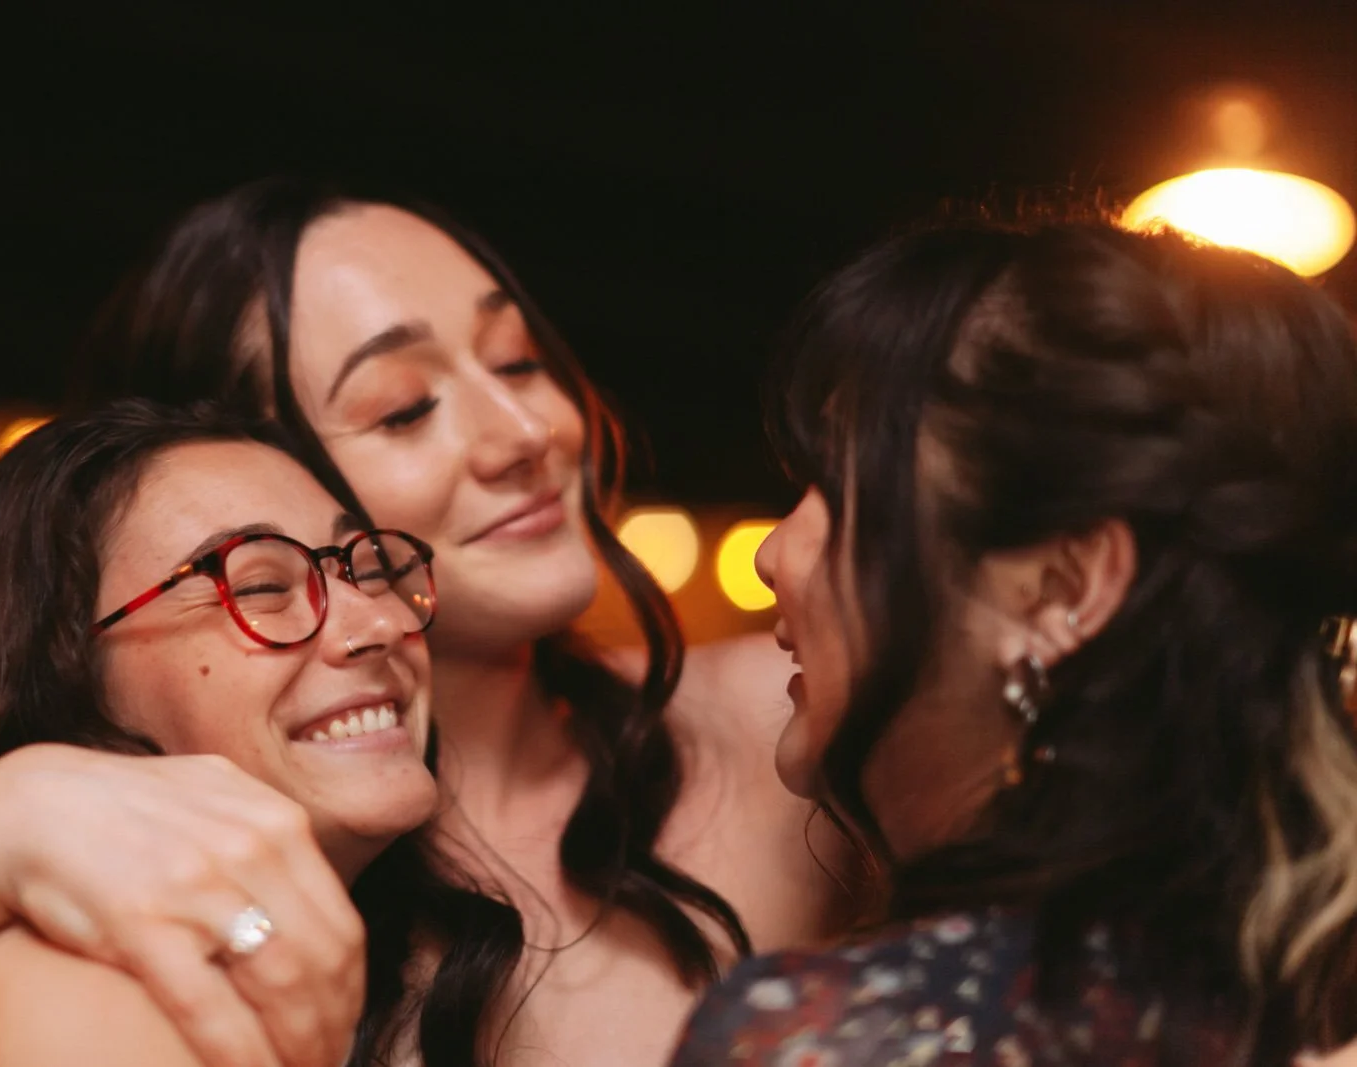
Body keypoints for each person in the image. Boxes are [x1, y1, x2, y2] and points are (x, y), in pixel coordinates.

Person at [73, 177, 855, 1064]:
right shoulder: (166, 892)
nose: (525, 431)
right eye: (405, 408)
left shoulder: (785, 724)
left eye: (517, 362)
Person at [668, 220, 1357, 1065]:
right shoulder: (1287, 1007)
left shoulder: (827, 1038)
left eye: (838, 486)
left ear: (1062, 590)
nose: (774, 553)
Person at [0, 399, 449, 1067]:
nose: (378, 623)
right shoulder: (79, 994)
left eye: (365, 570)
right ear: (71, 683)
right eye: (261, 586)